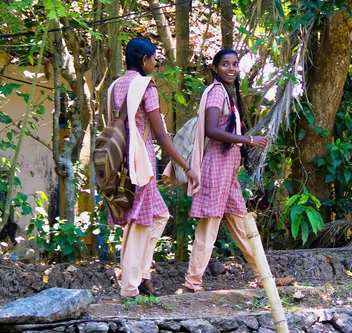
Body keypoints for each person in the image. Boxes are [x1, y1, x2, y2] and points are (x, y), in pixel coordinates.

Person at [180, 48, 293, 293]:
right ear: (215, 68)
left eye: (234, 64)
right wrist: (248, 140)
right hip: (216, 169)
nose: (231, 69)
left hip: (228, 172)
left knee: (244, 228)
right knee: (208, 228)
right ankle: (192, 283)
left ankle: (265, 278)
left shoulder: (226, 93)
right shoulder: (216, 94)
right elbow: (211, 130)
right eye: (225, 64)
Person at [111, 37, 198, 298]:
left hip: (120, 161)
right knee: (139, 223)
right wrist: (186, 166)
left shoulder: (116, 86)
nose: (155, 63)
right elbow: (161, 135)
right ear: (143, 59)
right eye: (153, 58)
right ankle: (129, 286)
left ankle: (143, 273)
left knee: (158, 216)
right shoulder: (147, 87)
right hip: (141, 163)